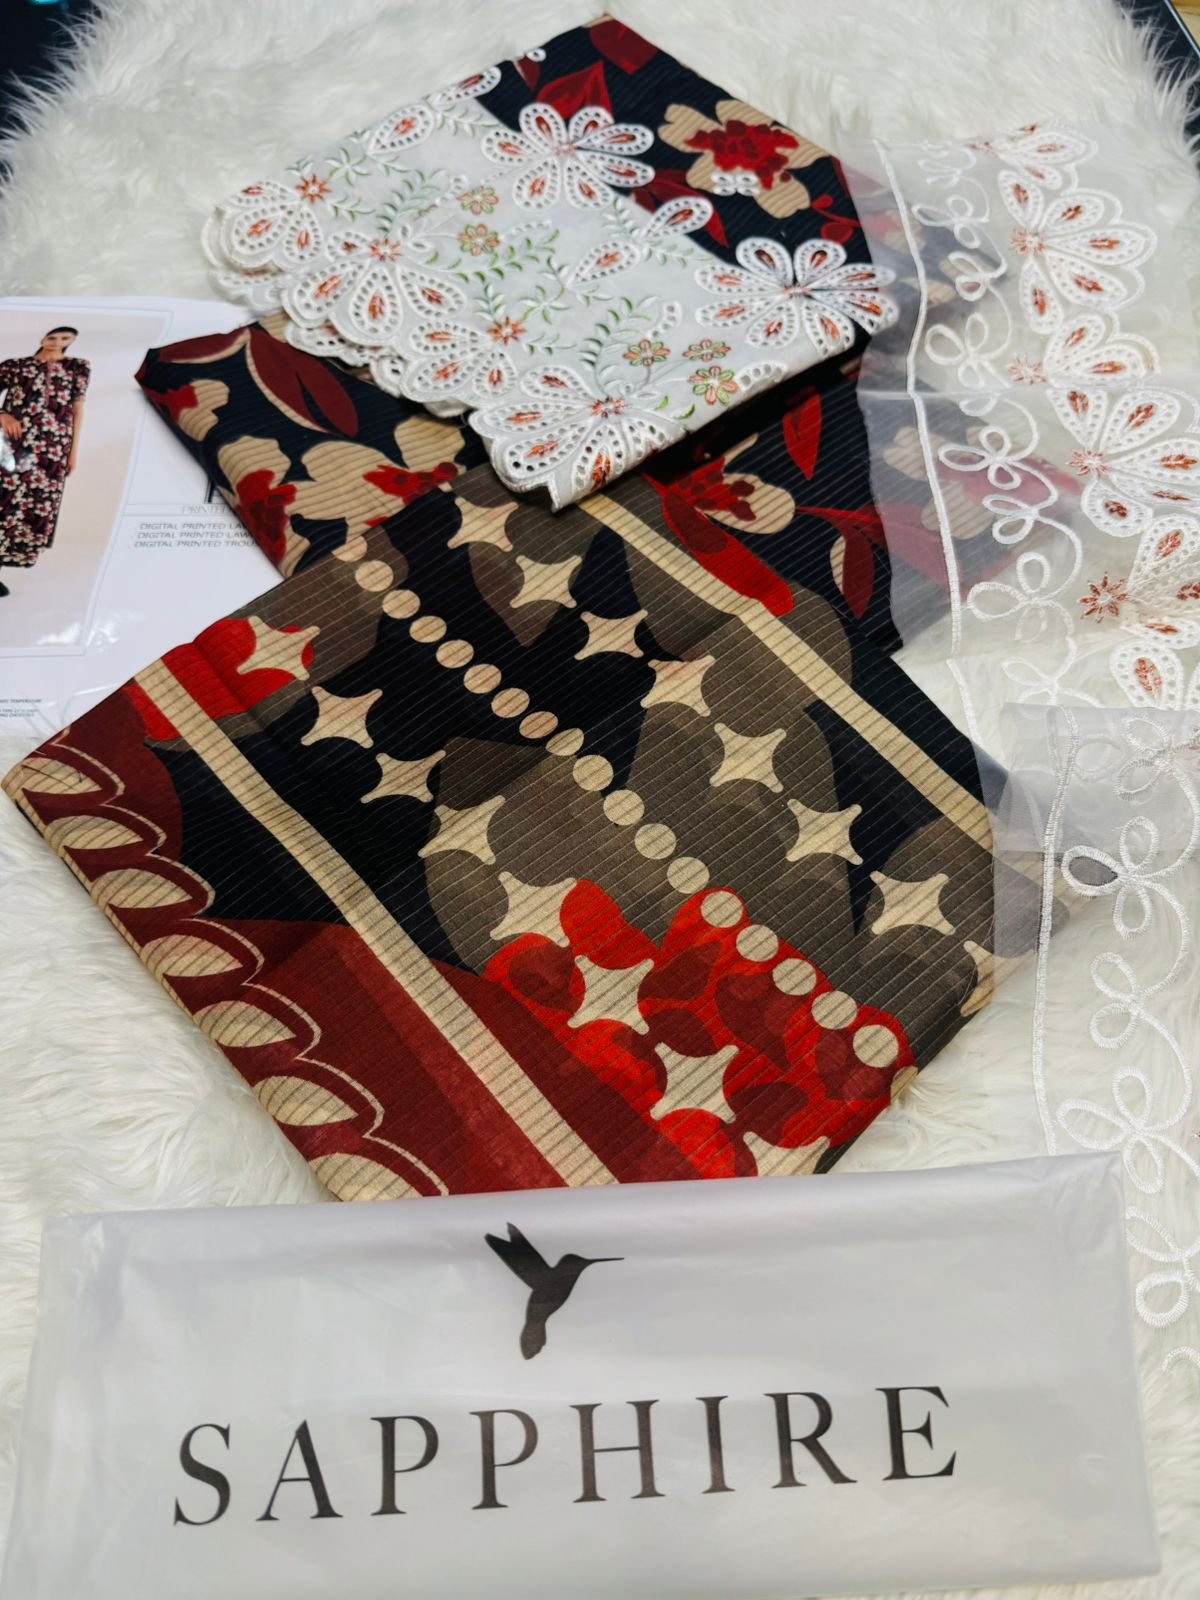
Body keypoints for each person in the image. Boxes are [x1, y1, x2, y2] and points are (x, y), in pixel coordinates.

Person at [0, 326, 90, 597]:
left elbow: (78, 410)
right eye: (53, 337)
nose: (57, 342)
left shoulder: (77, 367)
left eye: (65, 339)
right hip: (13, 443)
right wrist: (3, 414)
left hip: (52, 450)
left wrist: (72, 451)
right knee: (5, 501)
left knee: (35, 505)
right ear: (42, 338)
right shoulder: (16, 366)